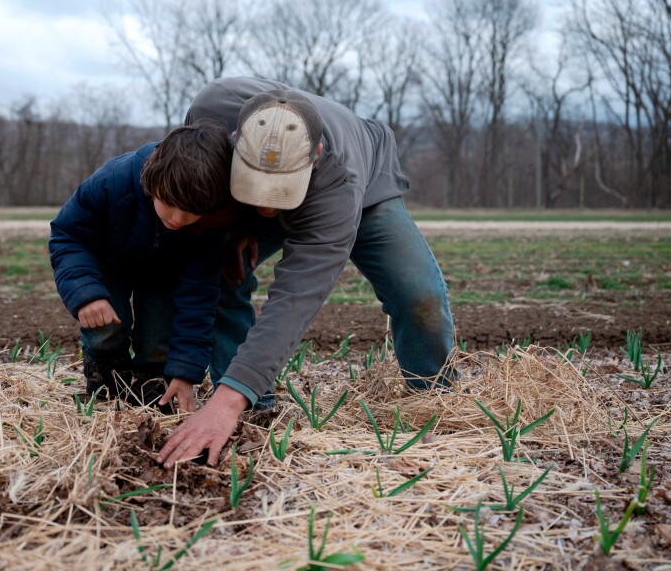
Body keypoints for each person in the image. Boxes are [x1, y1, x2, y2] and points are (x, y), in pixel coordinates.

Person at [157, 77, 458, 467]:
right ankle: (256, 414)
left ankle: (437, 398)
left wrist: (224, 401)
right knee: (217, 273)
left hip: (364, 189)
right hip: (252, 186)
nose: (268, 210)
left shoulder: (339, 180)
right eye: (257, 191)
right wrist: (239, 226)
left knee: (418, 296)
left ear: (314, 155)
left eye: (276, 195)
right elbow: (207, 183)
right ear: (234, 140)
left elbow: (293, 301)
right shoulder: (211, 109)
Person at [49, 119, 234, 414]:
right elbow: (67, 235)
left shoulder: (207, 228)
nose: (177, 218)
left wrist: (185, 373)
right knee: (106, 327)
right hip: (106, 264)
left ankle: (154, 385)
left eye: (192, 212)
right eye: (169, 203)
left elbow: (198, 299)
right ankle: (107, 382)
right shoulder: (112, 181)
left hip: (165, 273)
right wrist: (85, 292)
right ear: (154, 180)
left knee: (160, 337)